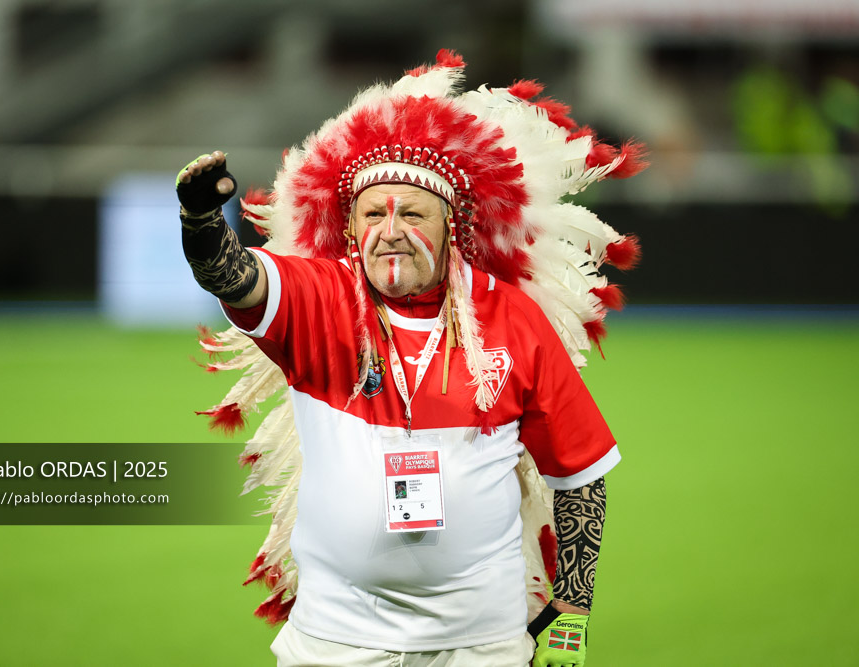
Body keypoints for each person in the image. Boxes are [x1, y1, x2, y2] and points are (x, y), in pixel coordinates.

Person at [178, 50, 645, 666]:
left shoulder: (512, 317)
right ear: (350, 229)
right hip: (335, 644)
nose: (390, 230)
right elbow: (236, 279)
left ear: (453, 228)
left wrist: (574, 610)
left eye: (413, 213)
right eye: (372, 213)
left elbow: (579, 476)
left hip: (482, 645)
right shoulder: (319, 298)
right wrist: (202, 221)